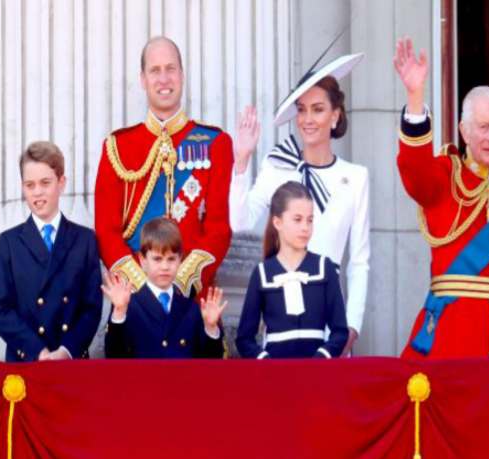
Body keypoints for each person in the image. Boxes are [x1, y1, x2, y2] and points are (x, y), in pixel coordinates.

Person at [393, 37, 489, 358]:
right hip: (449, 338)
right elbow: (414, 171)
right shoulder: (445, 176)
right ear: (464, 131)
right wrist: (415, 97)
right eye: (483, 127)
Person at [229, 53, 370, 355]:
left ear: (335, 116)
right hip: (281, 315)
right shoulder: (279, 164)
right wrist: (241, 161)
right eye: (302, 110)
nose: (307, 119)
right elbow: (239, 223)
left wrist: (352, 328)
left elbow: (359, 262)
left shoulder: (356, 177)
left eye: (318, 110)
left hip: (331, 319)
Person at [94, 36, 232, 298]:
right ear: (143, 79)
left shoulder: (216, 143)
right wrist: (143, 287)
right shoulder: (117, 147)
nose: (164, 78)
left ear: (181, 75)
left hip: (192, 303)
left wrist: (181, 282)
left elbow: (218, 228)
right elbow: (106, 231)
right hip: (135, 302)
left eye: (170, 69)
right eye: (154, 71)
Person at [0, 141, 103, 362]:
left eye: (45, 183)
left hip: (71, 362)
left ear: (61, 183)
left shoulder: (85, 240)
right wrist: (37, 351)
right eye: (29, 185)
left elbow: (91, 308)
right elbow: (1, 311)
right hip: (27, 361)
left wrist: (67, 351)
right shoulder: (9, 242)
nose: (37, 192)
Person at [236, 182, 348, 359]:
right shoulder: (263, 273)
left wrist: (322, 357)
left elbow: (340, 331)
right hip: (276, 378)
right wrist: (266, 362)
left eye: (310, 220)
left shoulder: (324, 268)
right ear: (277, 222)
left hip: (316, 376)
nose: (305, 227)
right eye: (297, 219)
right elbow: (244, 339)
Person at [103, 217, 226, 358]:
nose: (165, 267)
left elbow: (209, 366)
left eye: (171, 259)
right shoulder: (128, 306)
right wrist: (118, 314)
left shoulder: (191, 309)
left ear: (180, 260)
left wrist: (211, 328)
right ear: (142, 261)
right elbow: (114, 358)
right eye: (157, 259)